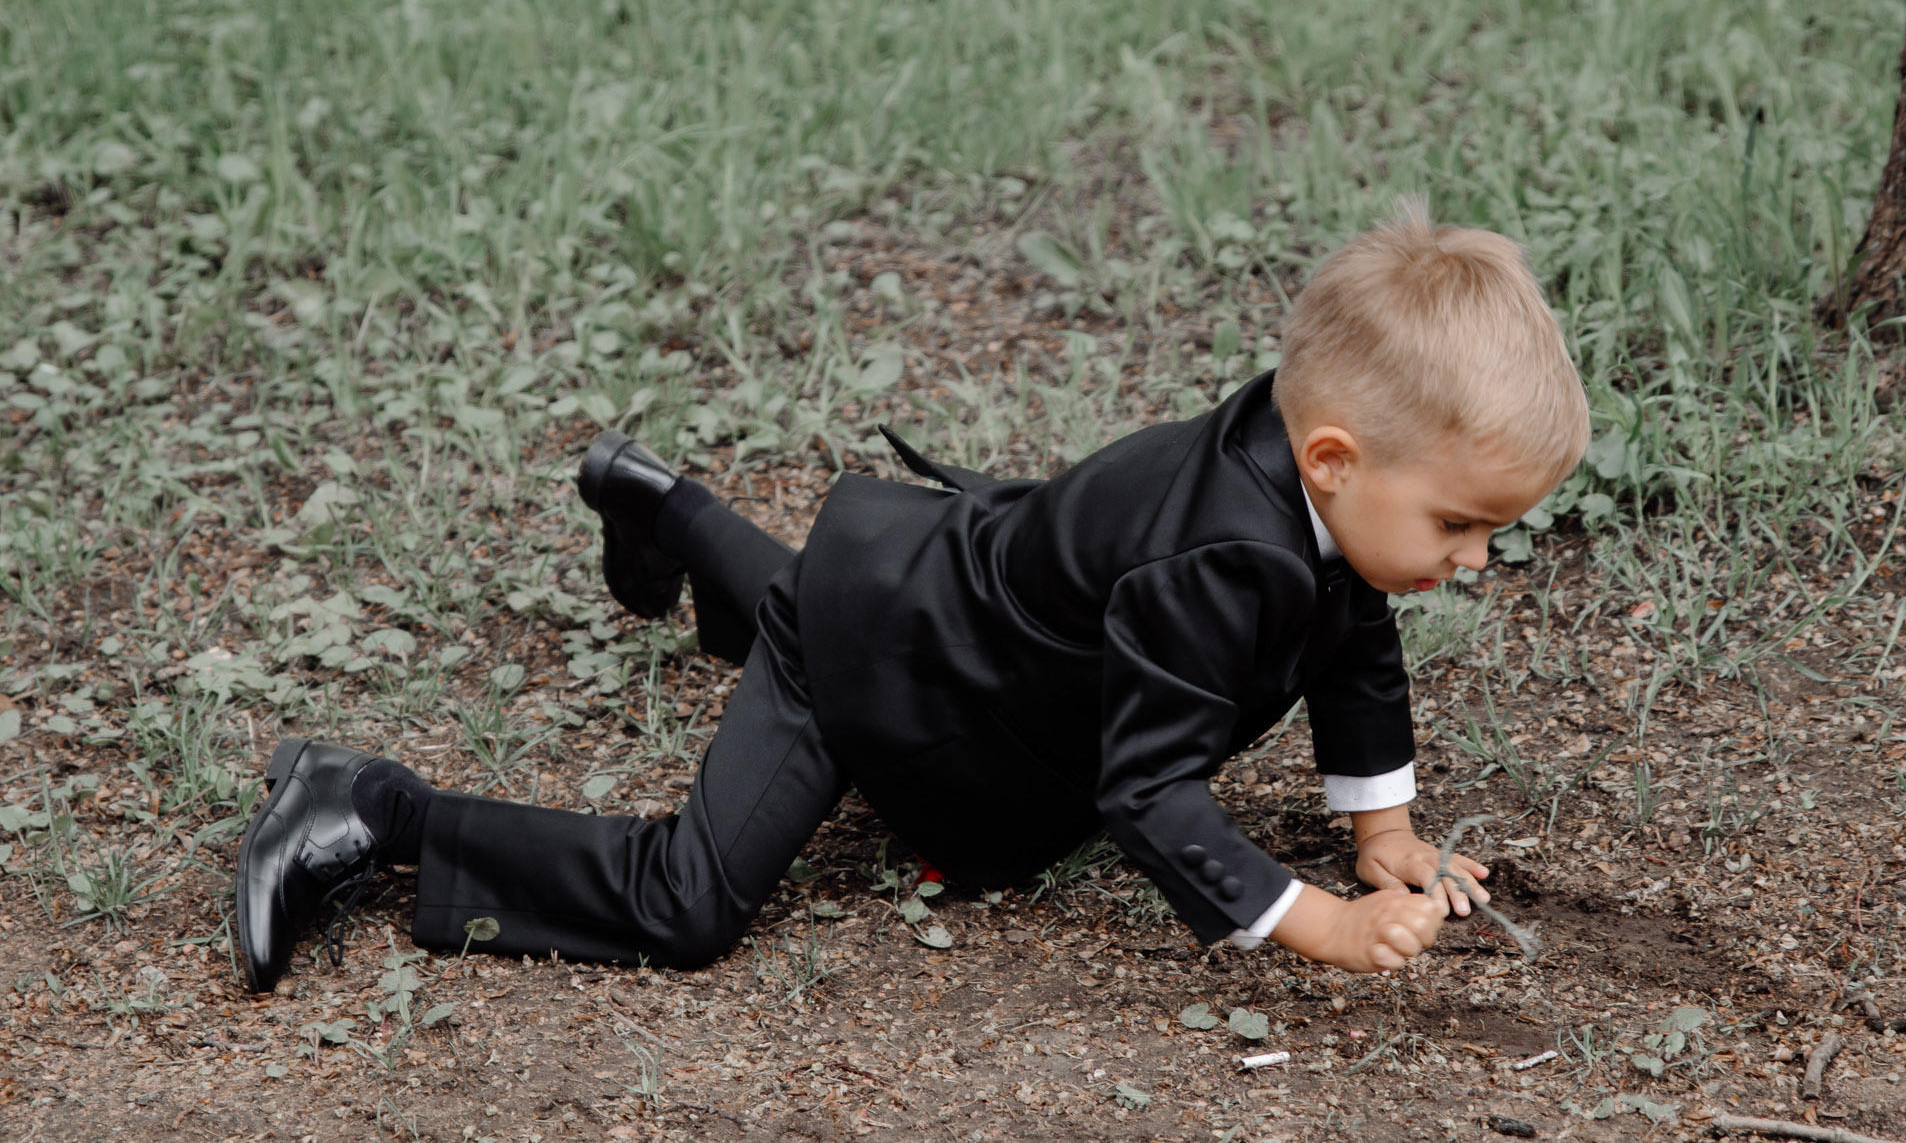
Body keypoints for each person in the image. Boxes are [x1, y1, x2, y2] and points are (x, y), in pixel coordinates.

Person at [235, 198, 1590, 992]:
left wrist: (1383, 828)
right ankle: (369, 805)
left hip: (948, 626)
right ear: (1335, 461)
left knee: (847, 607)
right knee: (688, 903)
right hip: (882, 652)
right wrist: (1321, 919)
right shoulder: (1224, 552)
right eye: (1462, 523)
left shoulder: (1315, 486)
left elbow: (1352, 641)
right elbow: (1152, 792)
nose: (1472, 558)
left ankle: (666, 506)